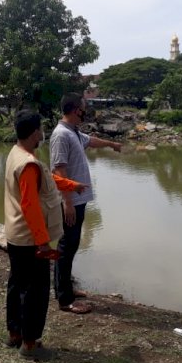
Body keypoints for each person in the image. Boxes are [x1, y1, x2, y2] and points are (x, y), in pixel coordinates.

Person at [4, 109, 86, 361]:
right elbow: (29, 204)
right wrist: (42, 243)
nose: (43, 133)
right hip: (31, 240)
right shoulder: (27, 163)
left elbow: (46, 180)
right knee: (36, 291)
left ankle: (15, 334)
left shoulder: (18, 153)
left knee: (17, 284)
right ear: (34, 133)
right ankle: (30, 344)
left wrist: (71, 185)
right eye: (40, 129)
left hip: (16, 235)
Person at [50, 94, 121, 314]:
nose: (85, 111)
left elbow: (91, 141)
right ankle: (64, 299)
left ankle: (66, 288)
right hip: (71, 201)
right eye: (83, 108)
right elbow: (58, 170)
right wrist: (67, 202)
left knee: (71, 246)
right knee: (66, 247)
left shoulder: (74, 133)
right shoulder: (61, 135)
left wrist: (112, 144)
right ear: (74, 110)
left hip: (78, 200)